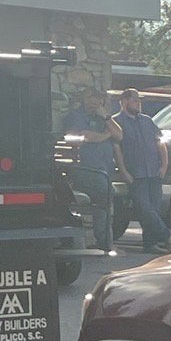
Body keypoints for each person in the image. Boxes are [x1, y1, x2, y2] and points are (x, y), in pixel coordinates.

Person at [112, 88, 171, 254]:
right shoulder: (116, 122)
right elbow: (117, 148)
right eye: (135, 100)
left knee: (154, 209)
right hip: (135, 174)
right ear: (124, 101)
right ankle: (167, 236)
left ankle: (150, 244)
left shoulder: (147, 121)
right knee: (145, 208)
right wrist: (124, 171)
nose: (138, 103)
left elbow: (160, 142)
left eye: (139, 100)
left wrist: (164, 165)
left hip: (154, 173)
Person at [61, 87, 122, 254]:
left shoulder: (103, 118)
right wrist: (105, 135)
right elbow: (85, 136)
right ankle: (105, 244)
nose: (94, 102)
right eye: (90, 97)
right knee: (104, 195)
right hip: (85, 169)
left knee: (109, 198)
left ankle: (105, 242)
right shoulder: (75, 116)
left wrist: (107, 117)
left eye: (97, 98)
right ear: (83, 99)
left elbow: (119, 135)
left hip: (104, 170)